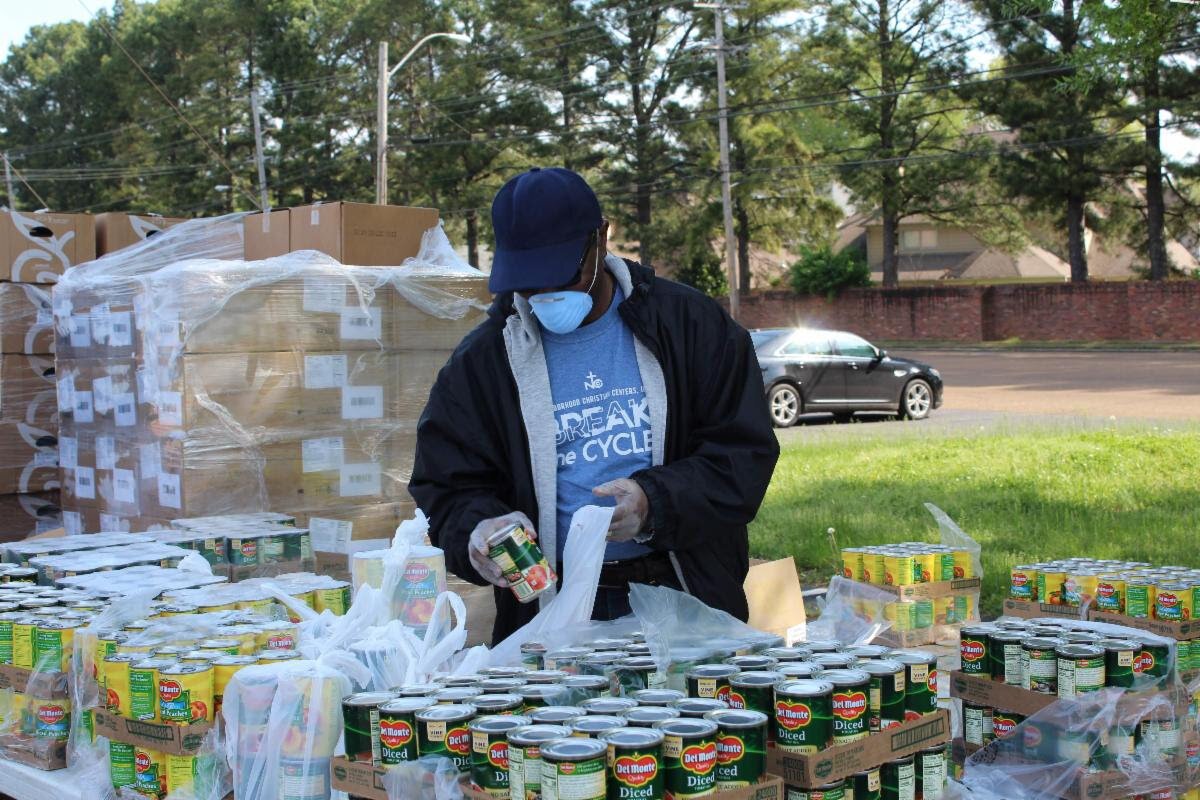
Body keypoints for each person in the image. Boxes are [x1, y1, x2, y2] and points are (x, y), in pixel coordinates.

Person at [409, 167, 779, 644]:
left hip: (683, 592)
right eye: (527, 283)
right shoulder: (483, 362)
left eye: (561, 275)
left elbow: (743, 458)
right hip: (552, 606)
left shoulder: (691, 326)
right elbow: (448, 488)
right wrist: (477, 530)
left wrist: (654, 502)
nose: (544, 296)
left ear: (601, 240)